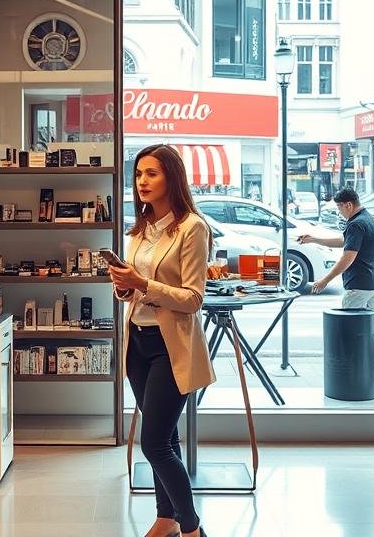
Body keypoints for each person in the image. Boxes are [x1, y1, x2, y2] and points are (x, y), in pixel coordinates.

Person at [109, 144, 215, 537]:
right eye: (138, 174)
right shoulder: (139, 230)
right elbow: (136, 291)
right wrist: (125, 287)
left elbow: (193, 298)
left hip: (171, 348)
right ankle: (165, 517)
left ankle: (191, 528)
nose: (142, 182)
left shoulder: (192, 228)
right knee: (165, 437)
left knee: (153, 444)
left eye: (151, 173)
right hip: (137, 343)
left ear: (172, 177)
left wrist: (143, 284)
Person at [299, 186, 374, 389]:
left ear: (348, 204)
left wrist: (325, 280)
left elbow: (348, 257)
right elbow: (345, 241)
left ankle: (360, 376)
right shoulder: (367, 219)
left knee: (351, 332)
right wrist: (314, 239)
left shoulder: (356, 224)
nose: (339, 211)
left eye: (339, 207)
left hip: (358, 286)